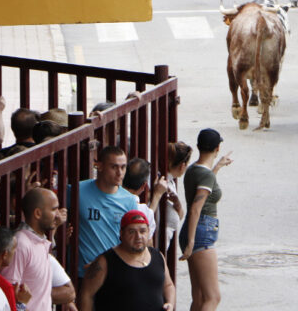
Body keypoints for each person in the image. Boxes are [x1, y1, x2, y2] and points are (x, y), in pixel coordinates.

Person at [79, 210, 175, 311]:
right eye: (132, 232)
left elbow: (168, 285)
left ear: (148, 232)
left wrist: (170, 303)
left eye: (142, 231)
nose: (138, 236)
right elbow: (87, 294)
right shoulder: (105, 262)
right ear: (122, 233)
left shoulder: (158, 256)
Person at [179, 129, 233, 311]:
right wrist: (191, 242)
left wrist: (217, 167)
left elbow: (205, 186)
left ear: (198, 146)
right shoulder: (206, 175)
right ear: (217, 148)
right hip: (201, 232)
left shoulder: (193, 170)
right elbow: (196, 208)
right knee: (213, 297)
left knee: (200, 297)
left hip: (192, 229)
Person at [77, 146, 137, 280]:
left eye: (123, 167)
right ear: (99, 166)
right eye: (114, 167)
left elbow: (133, 240)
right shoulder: (77, 191)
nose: (119, 173)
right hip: (83, 274)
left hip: (114, 274)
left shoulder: (129, 201)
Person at [0, 188, 60, 311]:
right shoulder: (21, 244)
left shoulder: (40, 242)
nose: (58, 215)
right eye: (54, 209)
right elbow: (8, 292)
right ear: (37, 213)